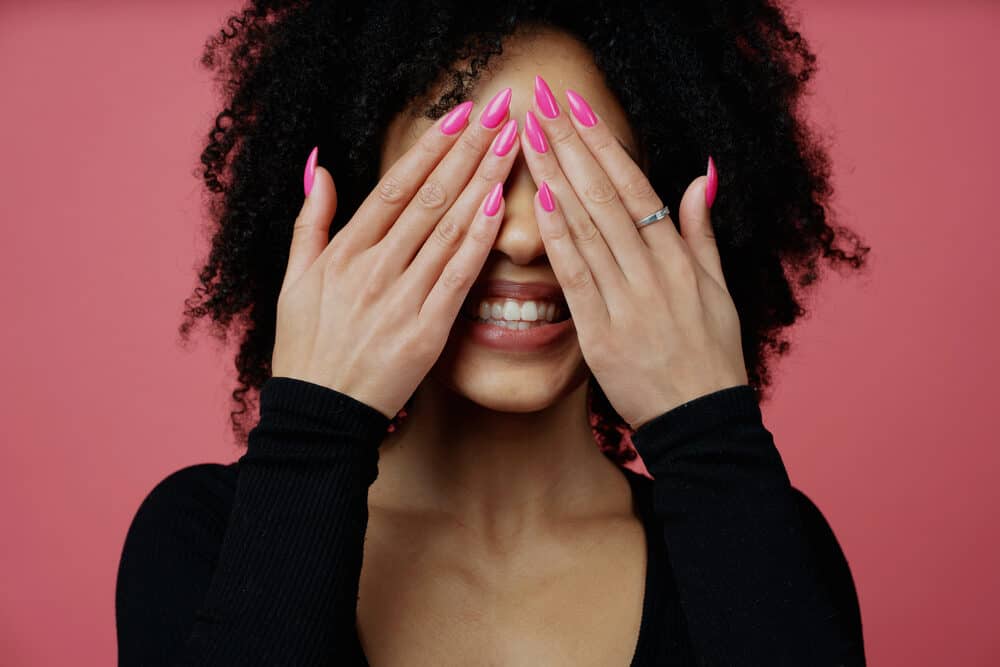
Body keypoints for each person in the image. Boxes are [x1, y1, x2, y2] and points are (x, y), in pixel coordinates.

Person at [115, 2, 871, 665]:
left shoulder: (774, 541)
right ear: (353, 209)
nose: (522, 240)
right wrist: (314, 427)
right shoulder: (200, 537)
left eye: (579, 181)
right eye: (463, 172)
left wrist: (711, 433)